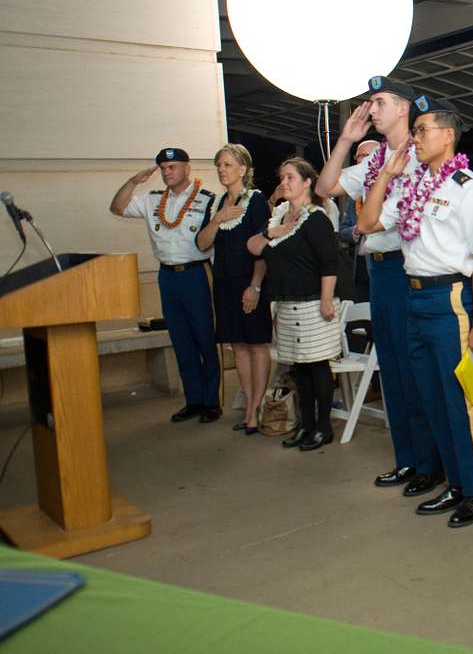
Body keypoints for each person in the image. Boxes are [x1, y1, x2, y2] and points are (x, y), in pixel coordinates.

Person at [357, 94, 473, 527]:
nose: (414, 138)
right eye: (414, 130)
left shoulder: (468, 188)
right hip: (414, 297)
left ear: (448, 136)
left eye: (423, 130)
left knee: (460, 397)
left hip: (450, 299)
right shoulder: (417, 188)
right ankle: (454, 482)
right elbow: (366, 224)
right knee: (433, 396)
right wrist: (386, 173)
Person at [319, 78, 444, 496]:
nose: (371, 110)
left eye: (380, 102)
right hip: (376, 270)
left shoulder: (417, 154)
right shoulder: (377, 161)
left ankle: (430, 462)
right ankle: (407, 459)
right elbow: (325, 187)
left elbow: (374, 221)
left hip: (406, 267)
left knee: (413, 369)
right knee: (391, 369)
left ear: (404, 108)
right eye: (371, 102)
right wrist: (345, 140)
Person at [110, 148, 222, 424]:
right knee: (181, 340)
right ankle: (193, 400)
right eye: (163, 168)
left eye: (172, 166)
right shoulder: (151, 200)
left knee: (204, 339)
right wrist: (134, 181)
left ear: (187, 168)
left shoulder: (207, 199)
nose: (167, 172)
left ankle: (211, 401)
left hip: (196, 274)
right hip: (168, 276)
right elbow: (118, 207)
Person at [246, 158, 341, 452]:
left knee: (317, 367)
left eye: (290, 178)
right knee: (299, 370)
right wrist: (272, 232)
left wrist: (326, 299)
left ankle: (322, 427)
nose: (284, 183)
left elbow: (330, 263)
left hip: (313, 303)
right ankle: (305, 424)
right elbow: (252, 247)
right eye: (282, 178)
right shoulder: (280, 217)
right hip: (286, 304)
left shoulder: (316, 219)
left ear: (307, 182)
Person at [195, 145, 272, 434]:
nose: (222, 169)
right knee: (237, 345)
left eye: (227, 164)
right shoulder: (215, 203)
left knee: (256, 344)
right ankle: (250, 406)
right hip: (224, 283)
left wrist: (255, 285)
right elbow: (202, 244)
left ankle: (257, 407)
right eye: (219, 165)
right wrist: (217, 219)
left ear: (243, 169)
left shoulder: (255, 200)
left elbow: (263, 247)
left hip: (249, 281)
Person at [337, 140, 382, 303]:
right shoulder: (354, 194)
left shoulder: (391, 188)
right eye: (358, 156)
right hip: (361, 264)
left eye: (367, 155)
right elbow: (343, 231)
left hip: (384, 263)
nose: (361, 160)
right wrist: (355, 231)